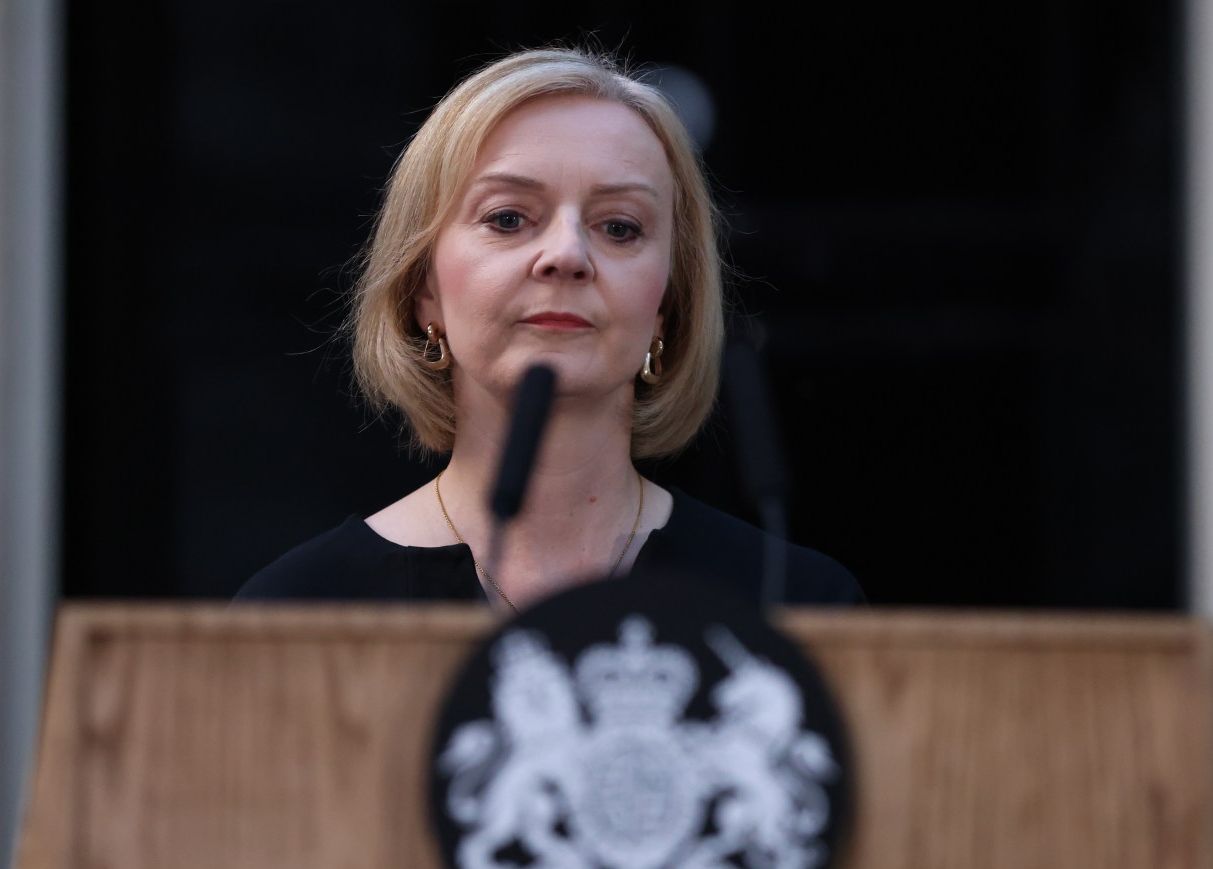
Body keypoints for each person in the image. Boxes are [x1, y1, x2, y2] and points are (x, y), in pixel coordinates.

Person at [236, 47, 862, 609]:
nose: (566, 255)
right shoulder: (299, 611)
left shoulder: (796, 601)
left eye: (619, 227)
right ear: (425, 292)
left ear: (667, 306)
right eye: (508, 218)